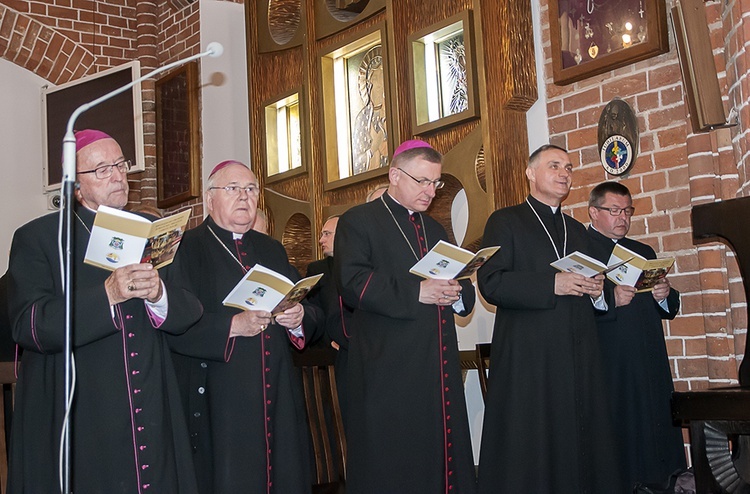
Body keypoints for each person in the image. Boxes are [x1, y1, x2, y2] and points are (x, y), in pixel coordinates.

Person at [5, 129, 202, 493]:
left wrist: (160, 293)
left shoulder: (151, 232)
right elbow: (28, 325)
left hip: (151, 398)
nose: (117, 176)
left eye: (121, 165)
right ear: (75, 186)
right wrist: (107, 294)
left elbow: (190, 310)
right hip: (83, 409)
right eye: (102, 170)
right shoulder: (39, 238)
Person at [476, 144, 624, 493]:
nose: (564, 174)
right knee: (533, 445)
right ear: (530, 173)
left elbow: (595, 290)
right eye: (555, 166)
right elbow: (491, 282)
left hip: (577, 354)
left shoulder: (577, 230)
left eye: (569, 168)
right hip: (530, 357)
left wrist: (597, 290)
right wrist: (551, 284)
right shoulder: (505, 220)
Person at [167, 160, 321, 494]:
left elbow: (308, 308)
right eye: (233, 189)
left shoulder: (271, 249)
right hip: (220, 397)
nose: (244, 197)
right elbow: (172, 324)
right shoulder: (186, 248)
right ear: (210, 199)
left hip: (276, 392)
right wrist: (232, 326)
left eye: (251, 190)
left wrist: (297, 319)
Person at [334, 139, 477, 493]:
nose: (430, 191)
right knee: (394, 461)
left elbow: (458, 281)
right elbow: (353, 282)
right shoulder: (358, 221)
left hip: (436, 365)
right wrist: (418, 292)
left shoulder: (435, 230)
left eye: (436, 183)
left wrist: (458, 294)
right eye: (422, 181)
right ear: (394, 175)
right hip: (388, 367)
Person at [587, 181, 686, 489]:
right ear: (593, 212)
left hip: (649, 357)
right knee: (621, 432)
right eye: (614, 210)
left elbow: (668, 307)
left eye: (627, 210)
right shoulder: (581, 251)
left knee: (656, 425)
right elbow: (569, 307)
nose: (623, 218)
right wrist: (608, 297)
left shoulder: (642, 251)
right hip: (610, 361)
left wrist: (663, 294)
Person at [306, 215, 353, 423]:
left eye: (327, 234)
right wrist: (329, 339)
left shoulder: (360, 265)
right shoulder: (316, 270)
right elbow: (313, 313)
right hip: (331, 360)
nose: (321, 239)